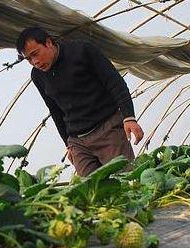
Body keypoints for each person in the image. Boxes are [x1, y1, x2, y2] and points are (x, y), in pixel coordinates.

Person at [16, 27, 144, 176]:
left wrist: (129, 117)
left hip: (108, 129)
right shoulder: (37, 76)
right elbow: (55, 111)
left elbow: (114, 82)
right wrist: (68, 144)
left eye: (35, 54)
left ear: (48, 42)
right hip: (78, 142)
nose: (35, 62)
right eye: (29, 59)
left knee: (125, 180)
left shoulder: (82, 51)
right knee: (90, 192)